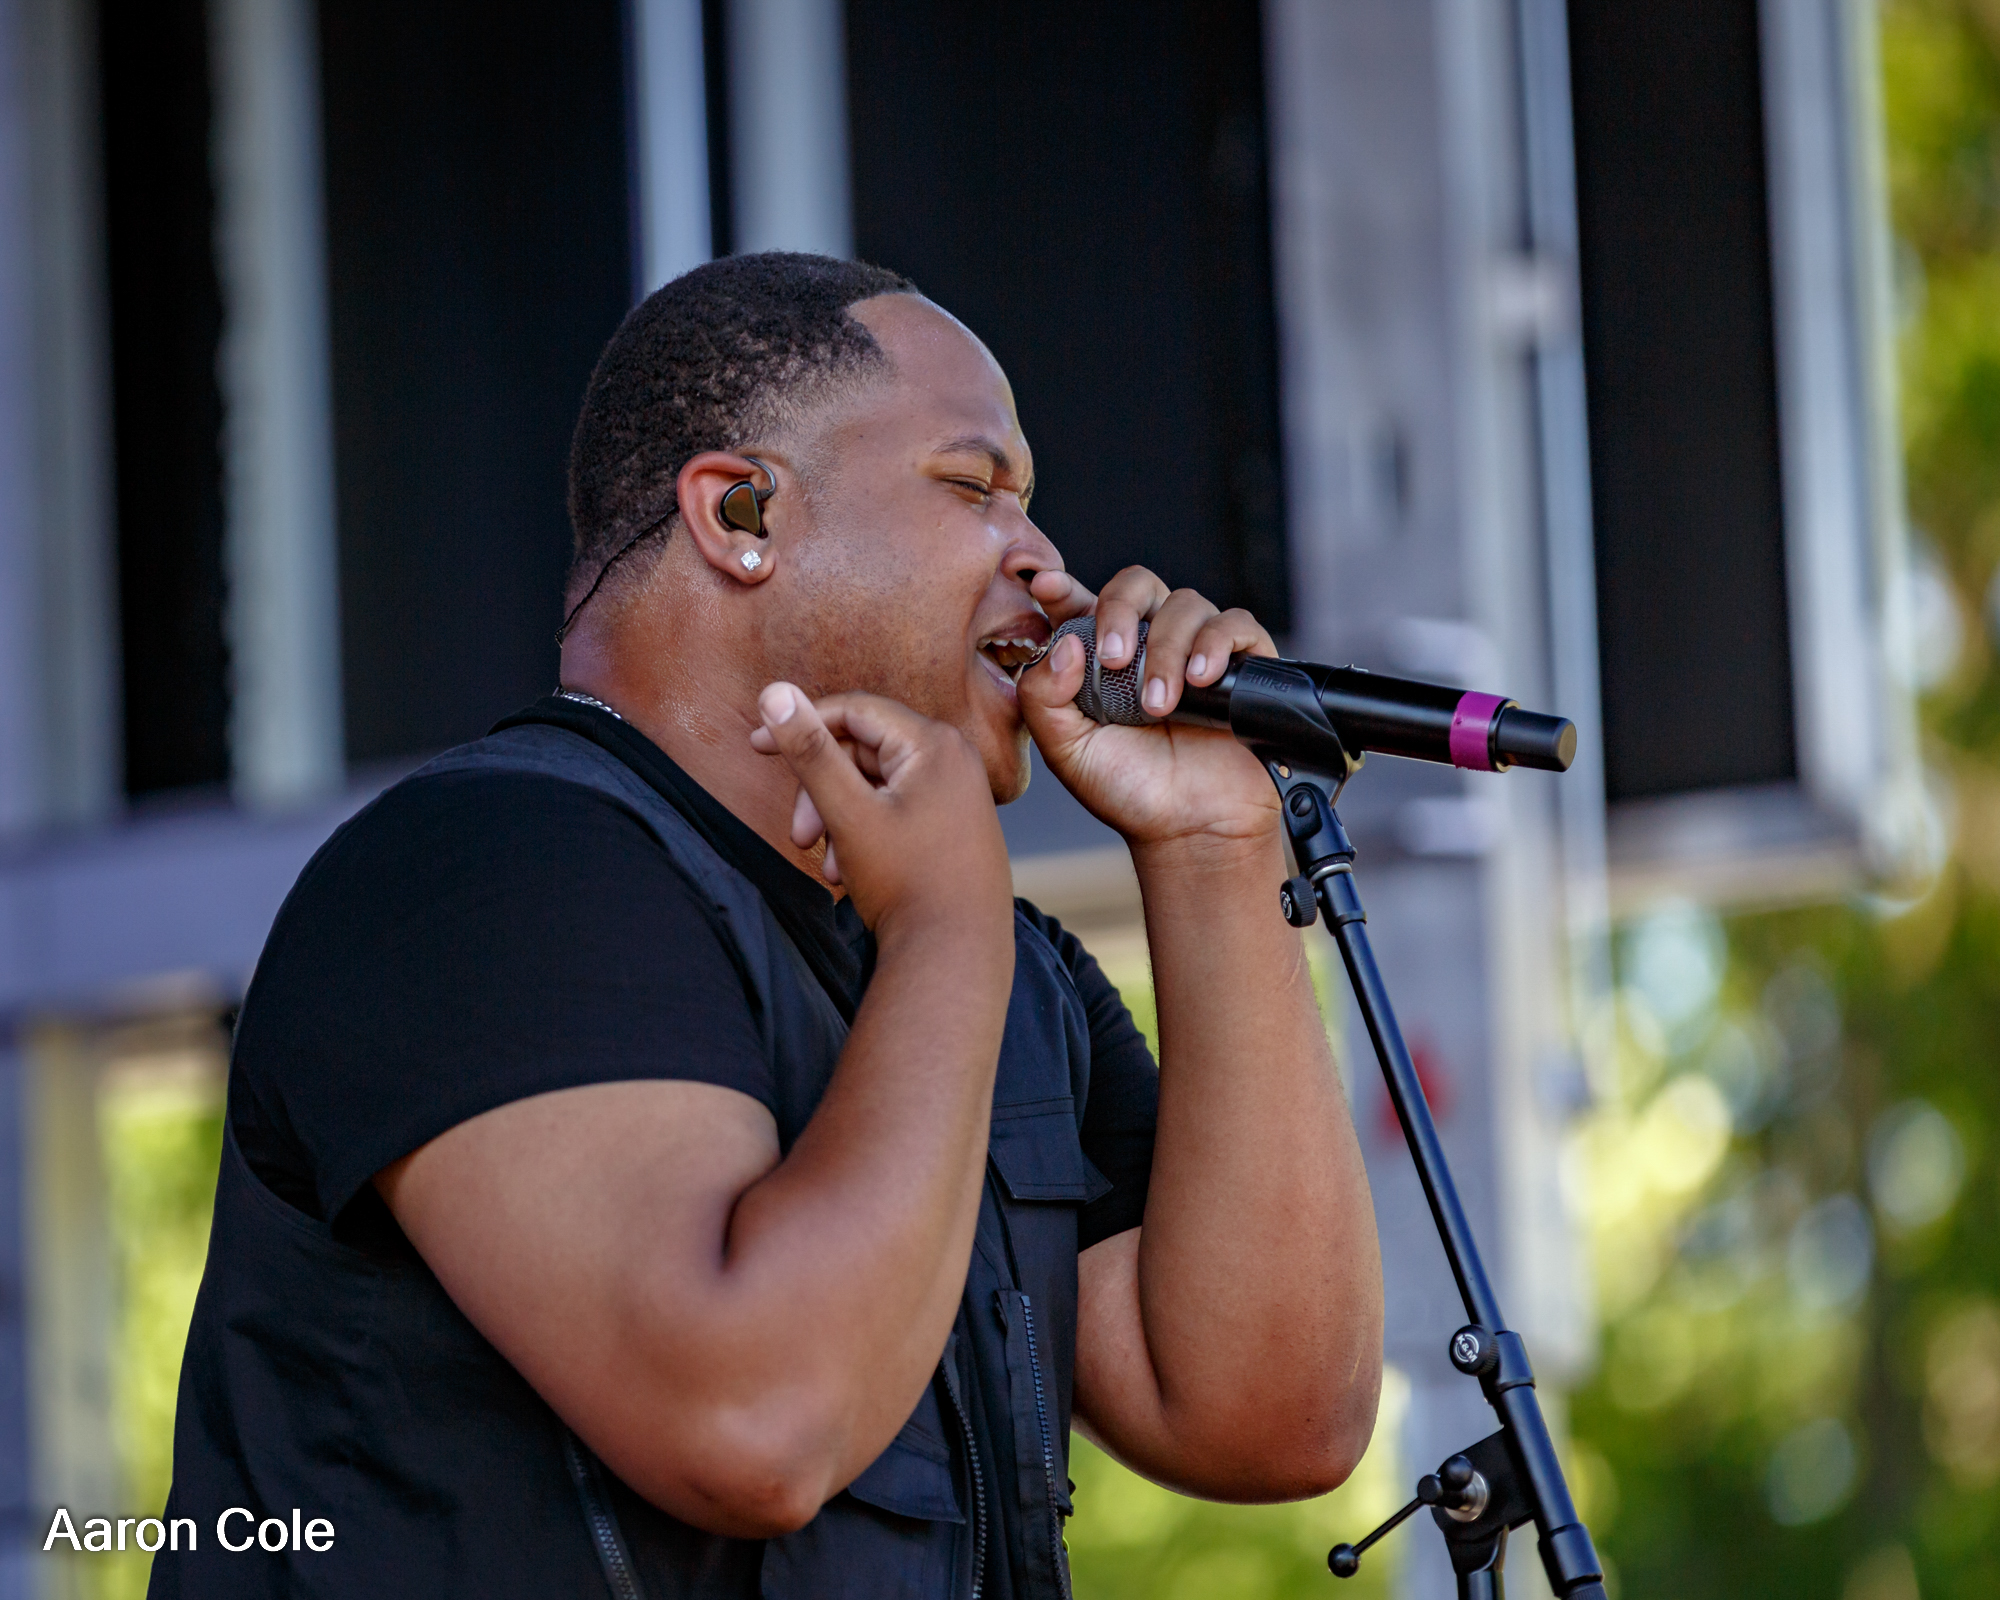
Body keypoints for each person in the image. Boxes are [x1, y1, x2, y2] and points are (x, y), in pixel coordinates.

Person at [151, 252, 1383, 1599]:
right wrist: (950, 920)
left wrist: (1214, 851)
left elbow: (1275, 1417)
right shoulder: (483, 869)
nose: (1048, 566)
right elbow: (753, 1425)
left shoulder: (1012, 982)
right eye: (978, 490)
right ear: (741, 511)